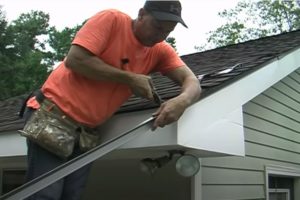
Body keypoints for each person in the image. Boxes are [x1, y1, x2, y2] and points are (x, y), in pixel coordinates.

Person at [23, 0, 201, 199]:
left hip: (86, 134)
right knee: (45, 194)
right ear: (141, 14)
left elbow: (192, 81)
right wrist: (130, 78)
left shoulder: (160, 50)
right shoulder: (112, 20)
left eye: (167, 32)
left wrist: (182, 101)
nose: (160, 36)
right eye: (157, 27)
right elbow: (76, 60)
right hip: (53, 115)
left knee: (71, 195)